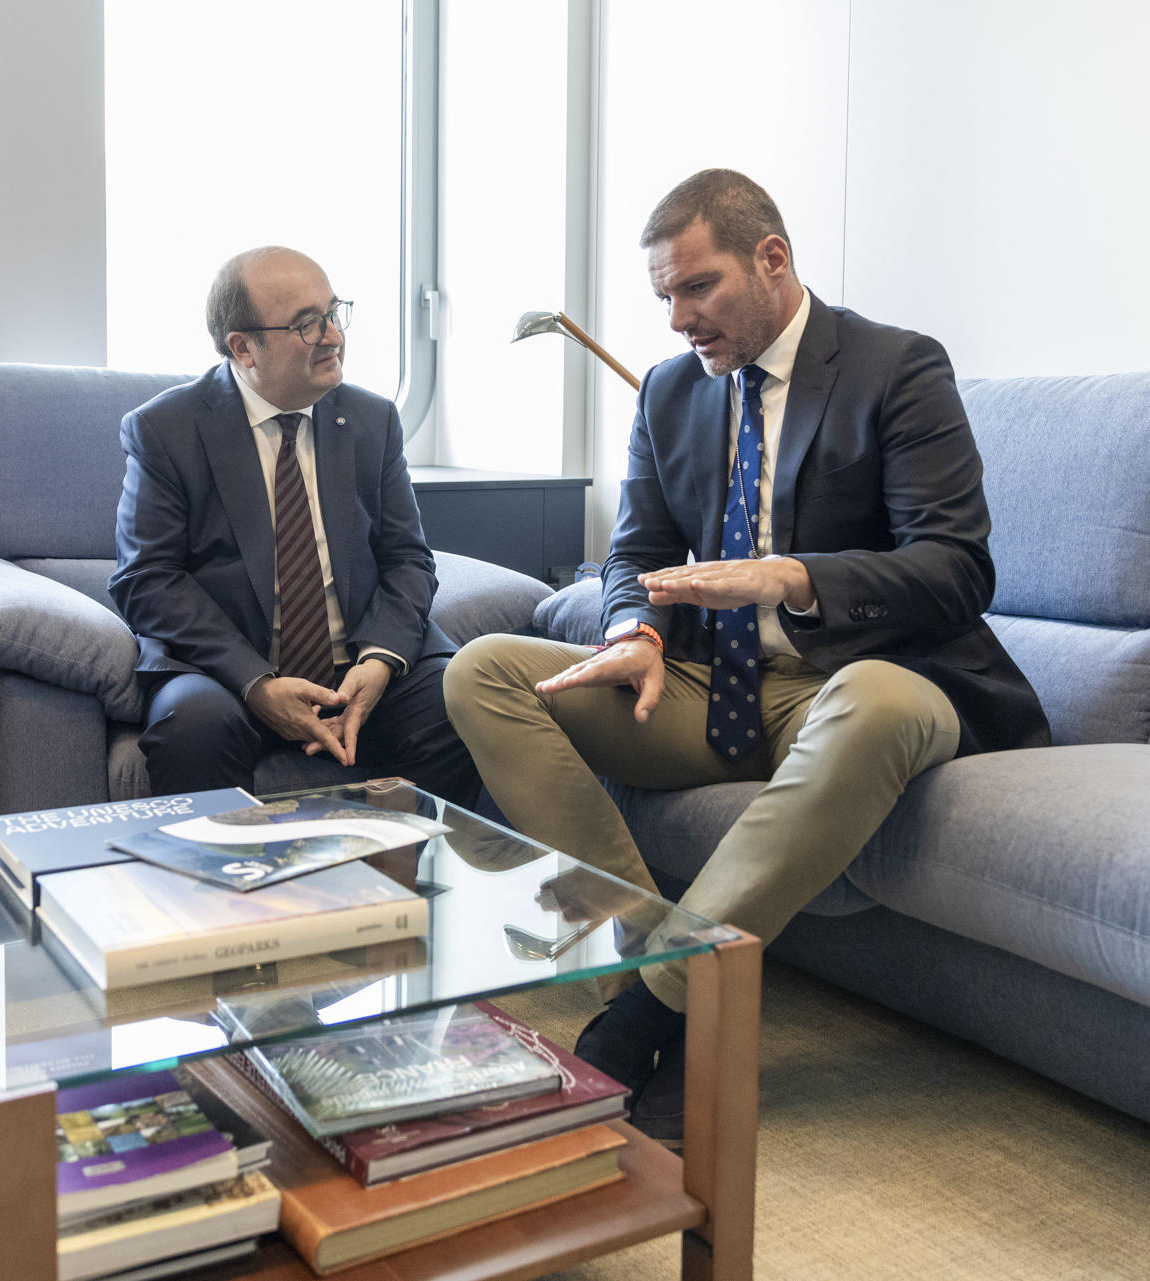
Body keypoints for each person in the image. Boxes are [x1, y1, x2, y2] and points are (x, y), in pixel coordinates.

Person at [442, 170, 1048, 1145]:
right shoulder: (674, 392)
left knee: (879, 705)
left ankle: (647, 1009)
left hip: (861, 688)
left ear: (772, 259)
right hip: (714, 691)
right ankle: (661, 966)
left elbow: (956, 568)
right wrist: (634, 632)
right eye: (664, 297)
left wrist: (790, 577)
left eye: (698, 288)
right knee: (484, 671)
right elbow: (635, 551)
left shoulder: (896, 369)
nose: (679, 319)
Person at [110, 246, 479, 807]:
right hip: (228, 673)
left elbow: (408, 559)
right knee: (193, 729)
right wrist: (257, 683)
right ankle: (222, 895)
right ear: (243, 347)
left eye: (334, 313)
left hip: (359, 663)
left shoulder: (371, 420)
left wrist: (379, 660)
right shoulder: (167, 429)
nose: (333, 336)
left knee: (461, 701)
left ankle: (405, 884)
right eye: (308, 324)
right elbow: (147, 578)